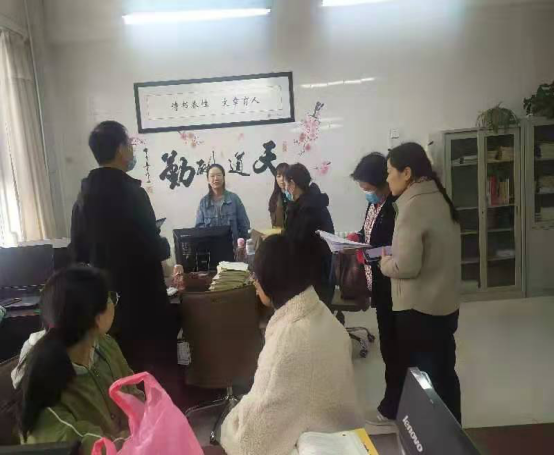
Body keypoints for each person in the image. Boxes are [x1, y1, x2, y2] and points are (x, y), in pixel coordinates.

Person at [220, 235, 363, 455]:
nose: (254, 283)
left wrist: (229, 426)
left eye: (255, 276)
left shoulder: (287, 343)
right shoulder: (322, 314)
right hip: (344, 434)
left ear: (271, 279)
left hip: (320, 445)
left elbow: (251, 444)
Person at [70, 121, 174, 376]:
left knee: (119, 372)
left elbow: (77, 252)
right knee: (153, 372)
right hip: (144, 301)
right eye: (129, 144)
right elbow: (154, 248)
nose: (131, 150)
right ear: (120, 149)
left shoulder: (83, 197)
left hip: (106, 304)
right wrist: (163, 243)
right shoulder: (133, 194)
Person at [10, 265, 144, 455]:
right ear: (97, 318)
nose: (113, 302)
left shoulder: (106, 345)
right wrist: (142, 437)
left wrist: (149, 422)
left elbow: (133, 395)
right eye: (110, 297)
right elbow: (89, 448)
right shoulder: (42, 380)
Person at [380, 142, 462, 423]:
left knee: (427, 381)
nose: (387, 178)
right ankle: (453, 433)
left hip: (419, 310)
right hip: (445, 305)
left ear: (406, 173)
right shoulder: (438, 197)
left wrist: (384, 262)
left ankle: (435, 436)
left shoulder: (412, 206)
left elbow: (406, 265)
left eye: (389, 171)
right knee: (445, 375)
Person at [350, 152, 400, 424]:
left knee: (393, 349)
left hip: (392, 285)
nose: (364, 192)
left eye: (366, 187)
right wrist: (355, 239)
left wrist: (367, 254)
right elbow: (367, 234)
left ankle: (393, 405)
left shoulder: (394, 207)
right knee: (389, 346)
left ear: (381, 182)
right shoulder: (374, 205)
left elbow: (396, 248)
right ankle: (393, 400)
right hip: (377, 283)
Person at [284, 164, 335, 305]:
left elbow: (296, 242)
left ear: (293, 183)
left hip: (312, 276)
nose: (286, 189)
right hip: (319, 271)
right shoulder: (313, 201)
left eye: (286, 184)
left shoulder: (307, 209)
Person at [195, 164, 250, 245]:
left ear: (223, 178)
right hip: (211, 248)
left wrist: (243, 246)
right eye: (212, 176)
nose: (216, 178)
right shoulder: (203, 203)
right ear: (208, 180)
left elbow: (244, 226)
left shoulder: (234, 199)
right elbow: (199, 230)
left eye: (218, 175)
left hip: (234, 248)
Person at [268, 162, 290, 228]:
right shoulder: (274, 198)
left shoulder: (295, 196)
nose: (282, 179)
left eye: (284, 175)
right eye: (278, 176)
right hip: (279, 233)